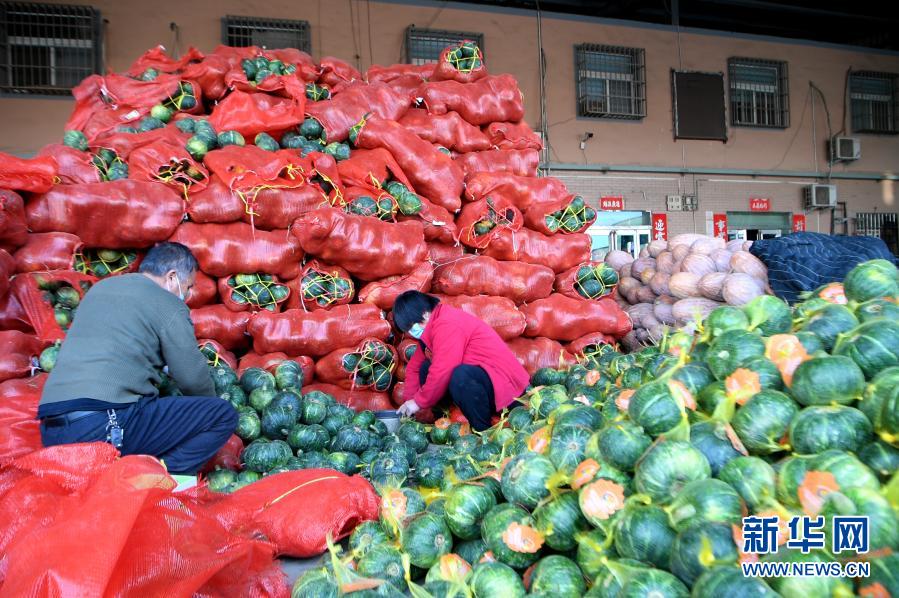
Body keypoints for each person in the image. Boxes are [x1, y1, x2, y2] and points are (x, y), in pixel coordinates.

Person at [38, 242, 237, 475]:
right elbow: (192, 379)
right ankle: (162, 480)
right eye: (188, 286)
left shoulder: (101, 289)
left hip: (51, 431)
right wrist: (206, 406)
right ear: (172, 277)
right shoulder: (167, 303)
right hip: (101, 428)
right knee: (221, 415)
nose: (189, 294)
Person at [393, 291, 529, 431]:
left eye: (412, 326)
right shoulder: (430, 329)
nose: (411, 332)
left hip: (505, 385)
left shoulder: (447, 323)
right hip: (481, 379)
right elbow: (414, 367)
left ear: (425, 313)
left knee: (460, 375)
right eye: (408, 330)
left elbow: (442, 370)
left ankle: (482, 431)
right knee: (425, 368)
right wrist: (409, 401)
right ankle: (445, 421)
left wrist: (418, 402)